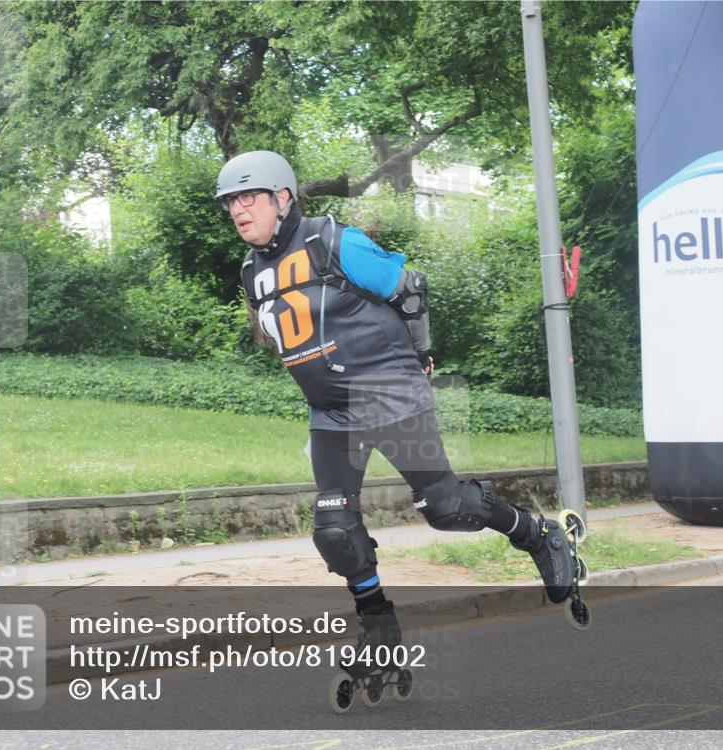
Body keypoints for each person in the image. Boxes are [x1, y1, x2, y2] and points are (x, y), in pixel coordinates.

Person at [218, 150, 576, 657]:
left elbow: (410, 290)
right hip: (332, 413)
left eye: (248, 198)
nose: (238, 210)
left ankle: (537, 534)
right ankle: (378, 628)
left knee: (446, 507)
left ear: (281, 197)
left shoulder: (330, 239)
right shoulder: (252, 269)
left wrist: (421, 355)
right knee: (336, 529)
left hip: (387, 393)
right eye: (231, 201)